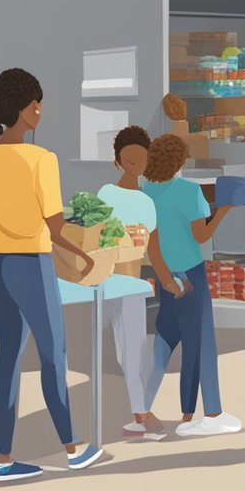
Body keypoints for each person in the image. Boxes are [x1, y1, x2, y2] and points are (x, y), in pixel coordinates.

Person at [0, 68, 102, 482]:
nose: (40, 111)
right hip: (30, 265)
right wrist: (86, 255)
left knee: (6, 360)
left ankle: (4, 460)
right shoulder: (42, 159)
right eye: (35, 105)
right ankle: (73, 449)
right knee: (52, 356)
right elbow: (56, 227)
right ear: (23, 111)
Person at [143, 134, 242, 437]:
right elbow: (201, 236)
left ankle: (142, 406)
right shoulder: (190, 191)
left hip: (164, 273)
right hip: (191, 274)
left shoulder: (145, 189)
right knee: (201, 345)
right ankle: (209, 412)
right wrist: (223, 211)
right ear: (181, 161)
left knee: (165, 337)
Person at [96, 126, 165, 439]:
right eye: (131, 160)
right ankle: (140, 412)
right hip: (119, 281)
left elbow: (151, 247)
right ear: (118, 162)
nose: (136, 165)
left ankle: (139, 412)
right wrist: (167, 279)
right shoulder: (113, 197)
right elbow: (152, 249)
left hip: (119, 282)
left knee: (129, 349)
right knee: (131, 348)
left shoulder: (121, 198)